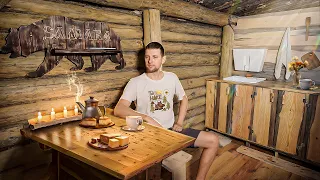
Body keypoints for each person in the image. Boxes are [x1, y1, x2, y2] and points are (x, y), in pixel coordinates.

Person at [114, 42, 219, 180]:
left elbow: (184, 99)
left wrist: (179, 122)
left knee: (213, 140)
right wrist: (146, 118)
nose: (150, 61)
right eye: (147, 57)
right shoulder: (135, 82)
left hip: (172, 131)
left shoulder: (172, 77)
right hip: (149, 135)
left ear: (163, 59)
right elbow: (119, 109)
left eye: (155, 57)